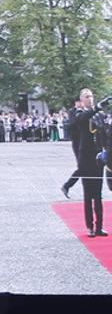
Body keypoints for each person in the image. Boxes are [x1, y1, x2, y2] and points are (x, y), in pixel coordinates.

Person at [61, 88, 106, 236]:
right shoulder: (80, 113)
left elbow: (103, 132)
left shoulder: (98, 115)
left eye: (91, 96)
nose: (90, 98)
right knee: (88, 194)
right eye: (87, 97)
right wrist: (96, 107)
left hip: (97, 156)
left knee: (98, 194)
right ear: (81, 100)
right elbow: (82, 119)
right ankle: (90, 227)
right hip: (85, 156)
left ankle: (99, 226)